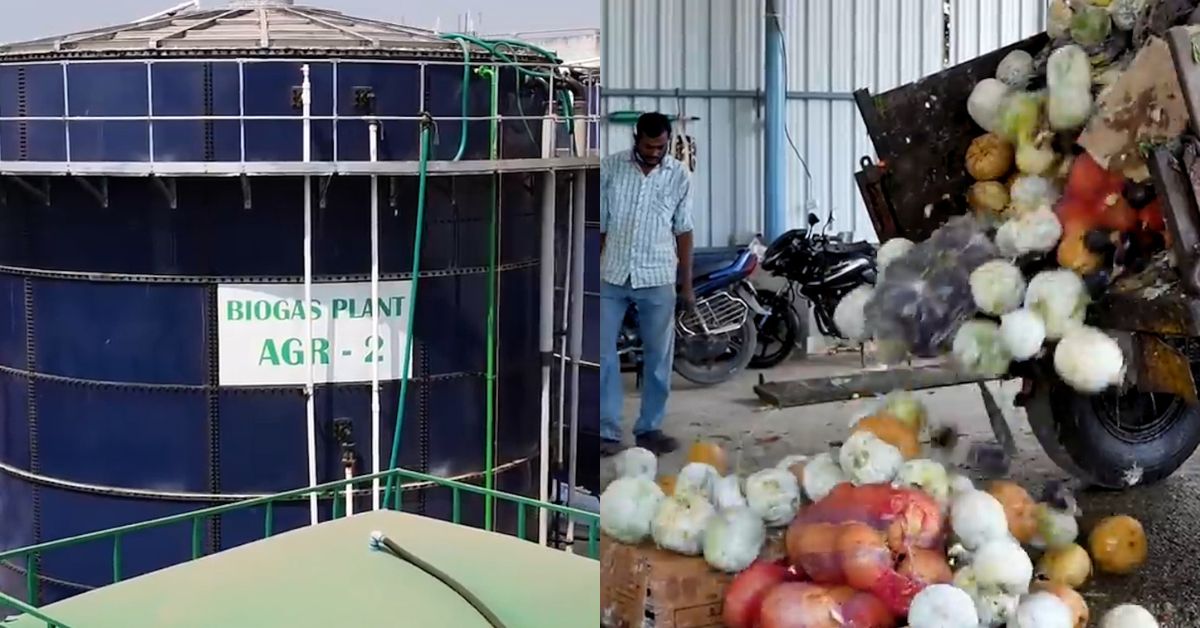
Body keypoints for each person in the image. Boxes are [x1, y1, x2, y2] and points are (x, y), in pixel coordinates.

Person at [599, 112, 694, 457]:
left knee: (658, 358)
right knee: (603, 354)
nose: (656, 152)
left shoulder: (678, 175)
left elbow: (683, 231)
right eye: (650, 145)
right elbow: (602, 226)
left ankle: (649, 428)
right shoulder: (610, 168)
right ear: (636, 138)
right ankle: (607, 430)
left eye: (661, 146)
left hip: (657, 278)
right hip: (612, 274)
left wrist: (687, 287)